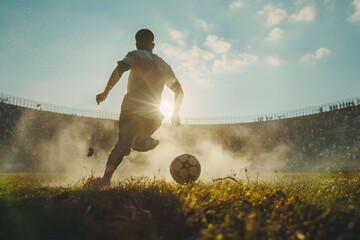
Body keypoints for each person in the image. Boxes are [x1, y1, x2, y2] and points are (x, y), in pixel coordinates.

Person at [96, 29, 184, 185]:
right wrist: (175, 113)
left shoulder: (135, 55)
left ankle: (105, 180)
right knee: (137, 139)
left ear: (137, 44)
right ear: (153, 45)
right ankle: (144, 138)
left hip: (132, 110)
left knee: (121, 147)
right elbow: (179, 90)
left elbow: (120, 69)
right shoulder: (164, 65)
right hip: (155, 115)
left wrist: (105, 92)